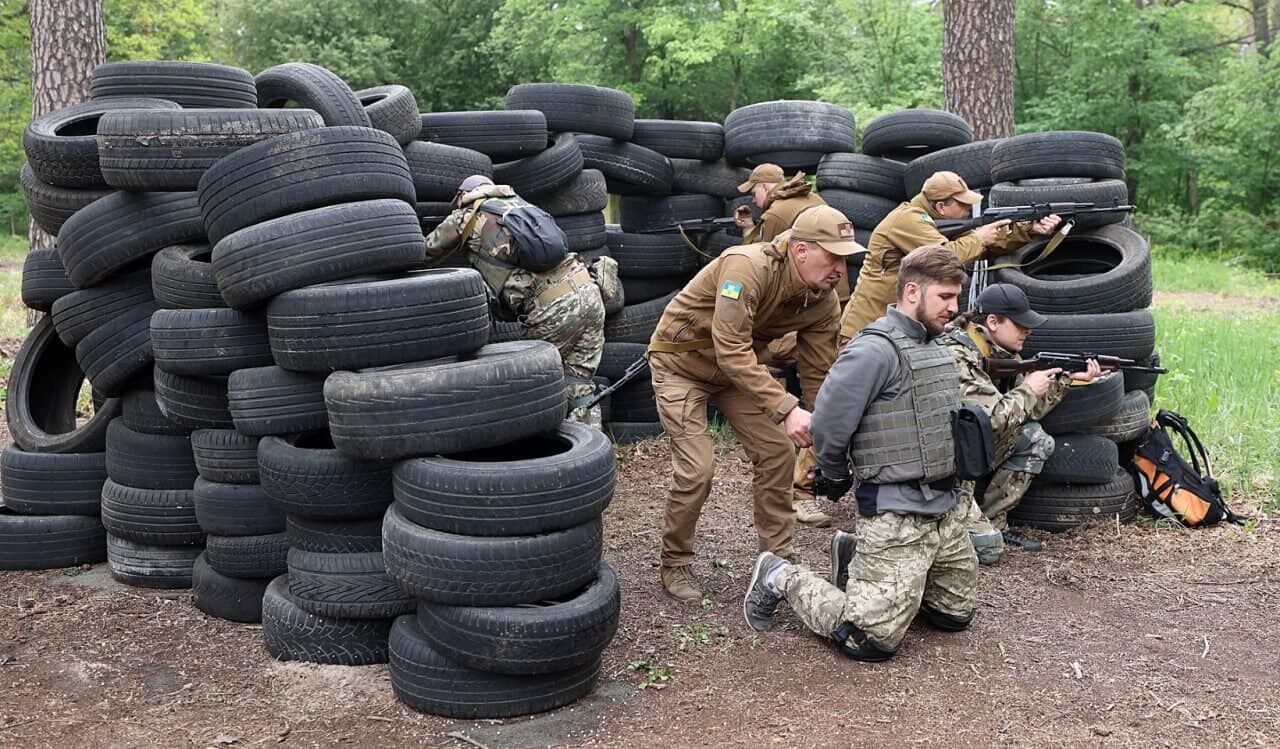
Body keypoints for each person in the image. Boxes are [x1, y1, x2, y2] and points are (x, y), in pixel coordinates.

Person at [742, 245, 977, 662]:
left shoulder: (937, 345)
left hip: (946, 508)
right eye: (945, 297)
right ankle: (779, 574)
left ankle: (856, 559)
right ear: (911, 291)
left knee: (953, 616)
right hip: (896, 510)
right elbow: (830, 422)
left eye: (956, 297)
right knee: (869, 640)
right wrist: (831, 471)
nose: (953, 307)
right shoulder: (873, 350)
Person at [649, 205, 862, 602]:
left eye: (844, 258)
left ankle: (777, 561)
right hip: (681, 366)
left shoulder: (823, 301)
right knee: (698, 469)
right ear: (801, 250)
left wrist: (827, 428)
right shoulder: (746, 267)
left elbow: (818, 374)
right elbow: (730, 350)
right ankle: (675, 561)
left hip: (736, 375)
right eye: (832, 256)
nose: (839, 268)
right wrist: (785, 408)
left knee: (778, 452)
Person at [424, 175, 608, 427]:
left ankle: (532, 461)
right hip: (589, 291)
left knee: (528, 387)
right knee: (578, 383)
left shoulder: (466, 216)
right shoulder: (523, 205)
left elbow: (422, 254)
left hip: (553, 307)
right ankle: (588, 456)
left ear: (462, 195)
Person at [940, 283, 1104, 561]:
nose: (1027, 331)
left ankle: (994, 523)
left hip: (967, 450)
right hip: (943, 463)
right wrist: (1028, 388)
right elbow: (993, 420)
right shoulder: (959, 355)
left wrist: (1067, 381)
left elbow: (1026, 412)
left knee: (1034, 438)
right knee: (988, 551)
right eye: (1020, 324)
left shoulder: (1000, 354)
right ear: (993, 322)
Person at [837, 171, 1061, 346]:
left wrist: (1029, 230)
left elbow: (981, 248)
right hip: (866, 326)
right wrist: (979, 238)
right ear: (941, 207)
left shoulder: (932, 222)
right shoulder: (907, 219)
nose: (968, 210)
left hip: (897, 326)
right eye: (962, 204)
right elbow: (945, 257)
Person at [734, 163, 826, 244]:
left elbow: (763, 257)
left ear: (765, 188)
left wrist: (747, 231)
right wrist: (748, 226)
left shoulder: (774, 214)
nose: (753, 200)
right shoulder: (814, 197)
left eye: (754, 194)